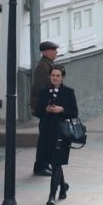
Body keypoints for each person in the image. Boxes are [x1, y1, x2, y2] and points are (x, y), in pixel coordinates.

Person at [34, 66, 78, 205]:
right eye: (53, 75)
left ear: (62, 77)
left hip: (62, 132)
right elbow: (37, 111)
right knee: (54, 162)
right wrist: (46, 110)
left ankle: (52, 194)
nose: (55, 78)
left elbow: (74, 112)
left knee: (57, 162)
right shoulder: (43, 92)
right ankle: (63, 188)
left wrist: (62, 109)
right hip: (47, 131)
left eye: (58, 76)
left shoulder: (68, 92)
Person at [30, 41, 59, 175]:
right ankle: (40, 165)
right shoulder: (43, 67)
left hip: (50, 108)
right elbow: (41, 89)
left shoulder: (49, 65)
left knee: (50, 138)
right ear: (45, 52)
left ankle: (45, 163)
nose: (56, 52)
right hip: (46, 109)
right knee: (45, 139)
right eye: (53, 50)